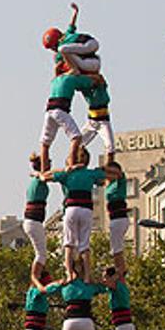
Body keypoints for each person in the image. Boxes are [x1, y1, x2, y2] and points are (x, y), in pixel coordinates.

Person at [41, 153, 121, 283]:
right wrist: (102, 169)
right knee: (85, 245)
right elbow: (114, 175)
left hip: (71, 208)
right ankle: (87, 276)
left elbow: (45, 177)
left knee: (68, 243)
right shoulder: (90, 173)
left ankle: (69, 273)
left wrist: (65, 169)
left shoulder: (67, 173)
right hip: (86, 210)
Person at [38, 74, 96, 172]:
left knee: (45, 143)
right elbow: (90, 83)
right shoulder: (73, 77)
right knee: (76, 137)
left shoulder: (56, 79)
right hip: (60, 109)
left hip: (49, 110)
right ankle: (72, 164)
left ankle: (43, 171)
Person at [24, 154, 57, 284]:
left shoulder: (36, 179)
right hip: (34, 221)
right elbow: (52, 176)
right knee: (41, 255)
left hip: (33, 221)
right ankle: (35, 280)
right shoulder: (40, 179)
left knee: (41, 253)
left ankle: (41, 276)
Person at [43, 3, 101, 75]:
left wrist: (56, 76)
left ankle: (74, 70)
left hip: (87, 44)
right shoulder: (68, 40)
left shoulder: (61, 48)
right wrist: (75, 12)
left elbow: (72, 25)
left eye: (51, 47)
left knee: (62, 49)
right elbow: (72, 25)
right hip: (91, 45)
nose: (52, 50)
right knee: (67, 52)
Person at [79, 83, 115, 162]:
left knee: (110, 146)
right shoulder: (87, 91)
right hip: (92, 122)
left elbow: (100, 80)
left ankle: (109, 165)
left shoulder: (101, 91)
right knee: (77, 143)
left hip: (103, 121)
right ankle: (76, 161)